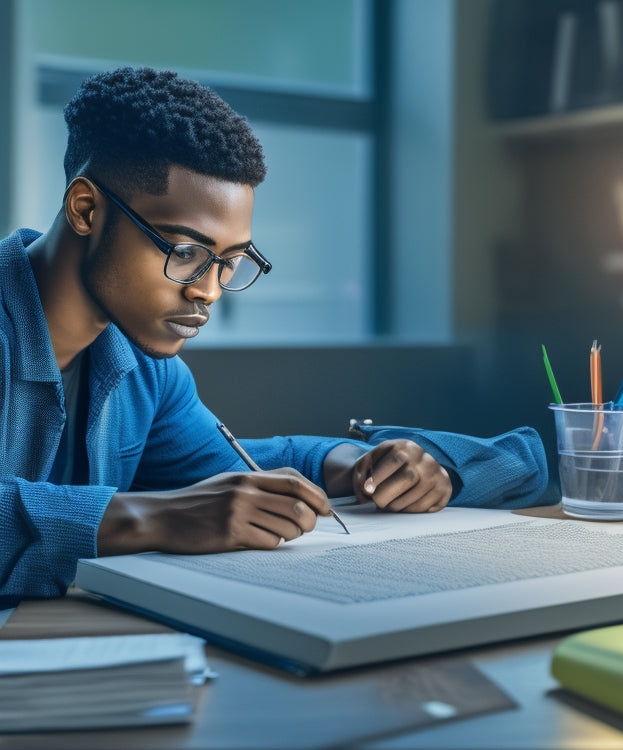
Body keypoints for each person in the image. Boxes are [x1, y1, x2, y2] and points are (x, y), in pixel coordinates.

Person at [1, 67, 546, 601]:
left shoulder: (147, 371)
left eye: (231, 262)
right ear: (86, 209)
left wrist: (366, 469)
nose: (208, 291)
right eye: (186, 252)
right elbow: (178, 511)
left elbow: (250, 467)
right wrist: (148, 517)